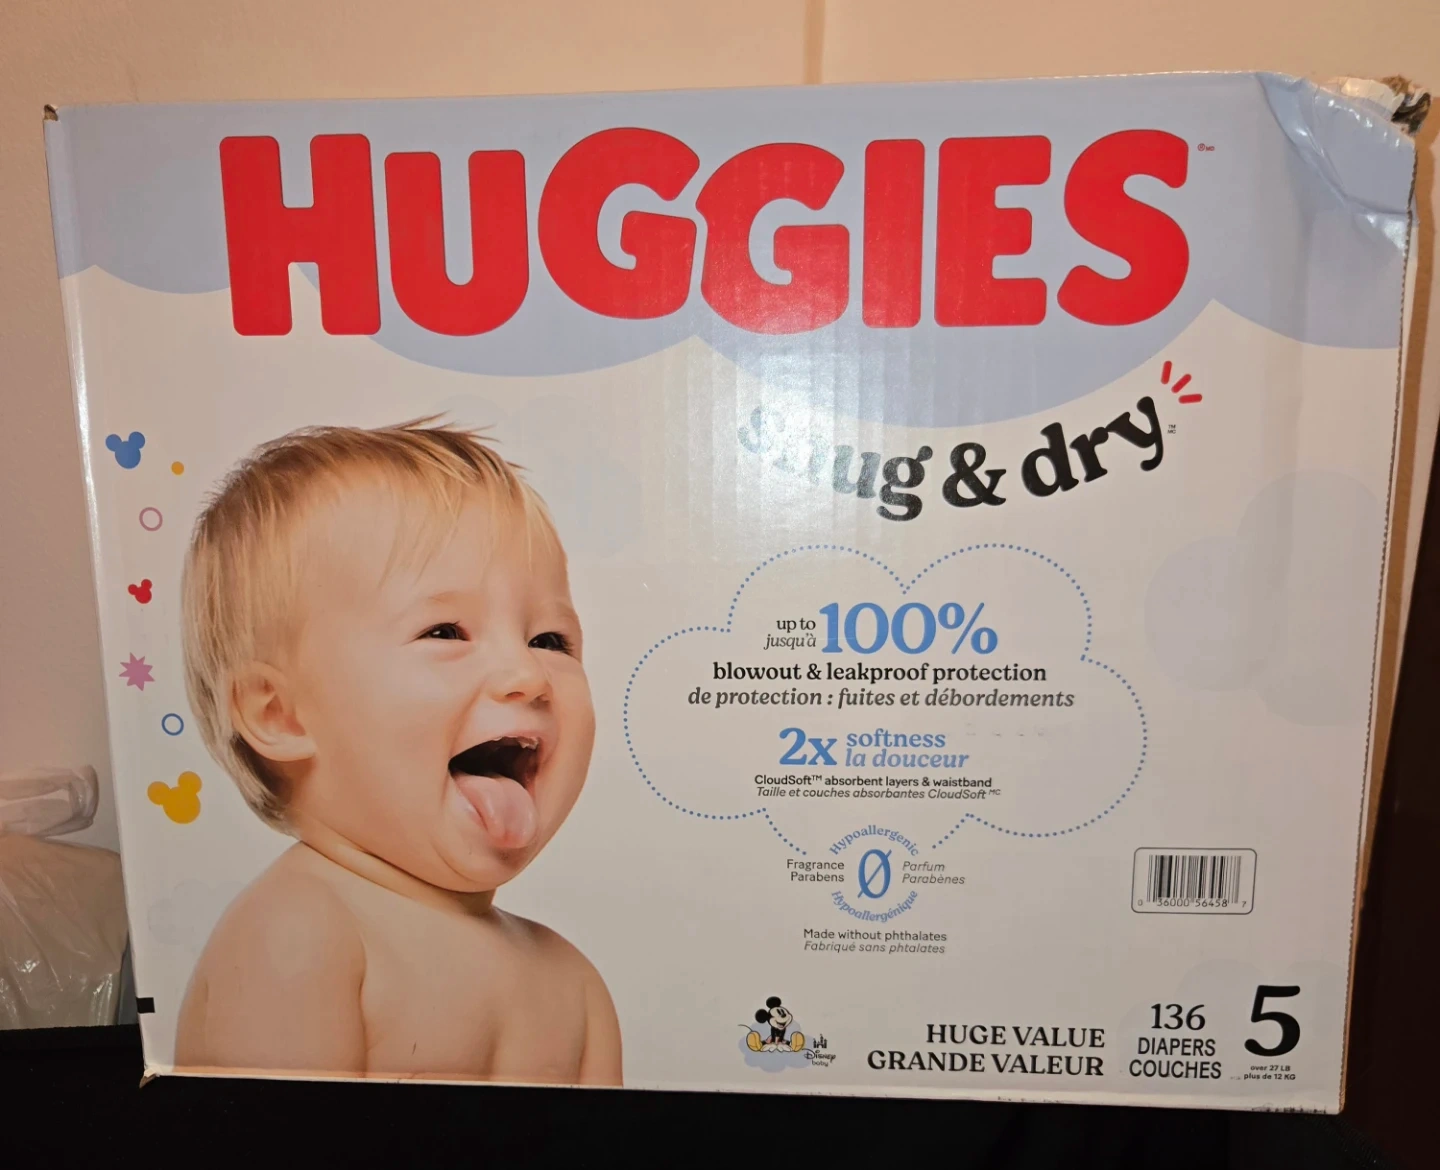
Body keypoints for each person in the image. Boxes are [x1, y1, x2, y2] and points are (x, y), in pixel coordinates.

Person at [173, 420, 620, 1084]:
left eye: (549, 640)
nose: (526, 675)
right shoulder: (301, 936)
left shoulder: (574, 986)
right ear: (280, 714)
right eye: (445, 632)